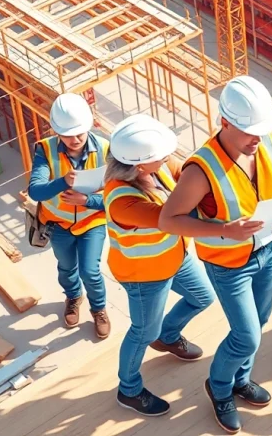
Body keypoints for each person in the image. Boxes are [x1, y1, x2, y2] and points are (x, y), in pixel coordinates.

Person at [158, 77, 272, 434]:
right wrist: (225, 230)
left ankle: (239, 380)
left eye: (261, 131)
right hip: (229, 264)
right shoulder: (200, 170)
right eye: (249, 132)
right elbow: (168, 220)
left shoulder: (265, 141)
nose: (257, 140)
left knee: (258, 327)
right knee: (246, 335)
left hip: (268, 250)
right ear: (224, 123)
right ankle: (218, 389)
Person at [104, 115, 215, 417]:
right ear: (139, 166)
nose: (168, 157)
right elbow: (174, 216)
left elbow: (187, 168)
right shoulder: (122, 201)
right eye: (161, 155)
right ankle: (129, 390)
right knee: (142, 331)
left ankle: (167, 337)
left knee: (203, 297)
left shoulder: (157, 167)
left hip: (174, 259)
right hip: (145, 275)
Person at [27, 93, 111, 338]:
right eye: (67, 134)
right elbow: (36, 190)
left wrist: (88, 201)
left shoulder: (106, 150)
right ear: (56, 131)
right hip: (58, 223)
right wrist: (63, 182)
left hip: (91, 222)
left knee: (90, 271)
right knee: (66, 268)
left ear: (89, 126)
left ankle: (99, 309)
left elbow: (119, 197)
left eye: (79, 134)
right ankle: (73, 297)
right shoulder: (45, 150)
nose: (74, 140)